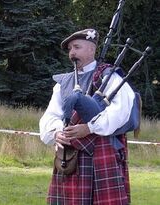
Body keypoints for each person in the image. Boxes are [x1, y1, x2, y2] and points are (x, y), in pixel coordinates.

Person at [39, 28, 134, 205]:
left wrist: (89, 128)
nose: (72, 53)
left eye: (76, 47)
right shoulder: (64, 82)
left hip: (102, 152)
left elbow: (121, 111)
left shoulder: (109, 76)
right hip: (70, 156)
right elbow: (51, 114)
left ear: (91, 49)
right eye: (69, 49)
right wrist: (56, 133)